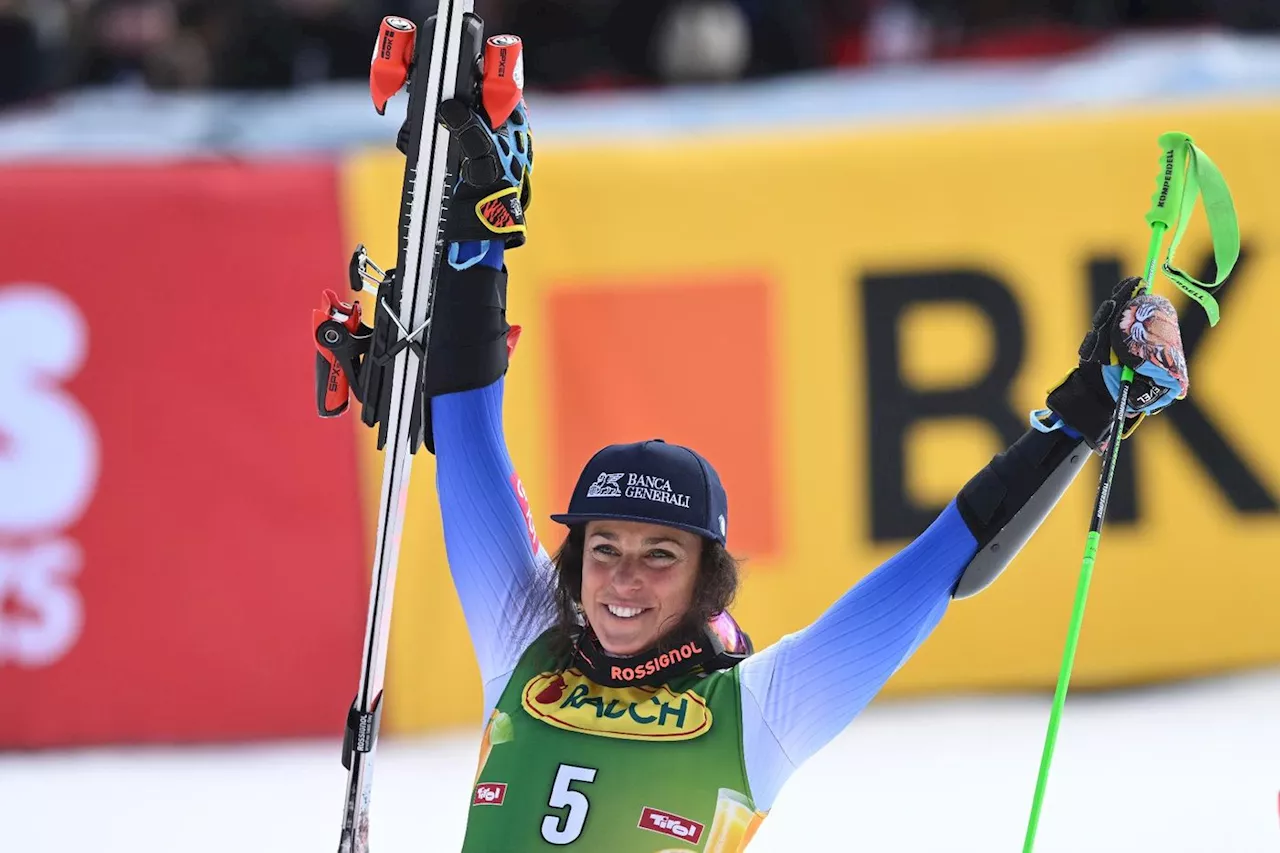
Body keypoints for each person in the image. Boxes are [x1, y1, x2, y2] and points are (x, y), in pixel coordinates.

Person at [415, 87, 1189, 852]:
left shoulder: (759, 711)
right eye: (604, 548)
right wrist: (482, 231)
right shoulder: (528, 645)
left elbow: (935, 570)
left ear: (704, 580)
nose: (621, 581)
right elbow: (467, 438)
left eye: (660, 555)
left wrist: (1086, 409)